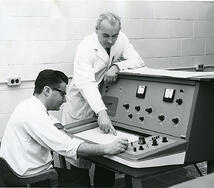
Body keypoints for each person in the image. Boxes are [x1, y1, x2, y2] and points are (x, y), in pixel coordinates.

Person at [0, 69, 128, 187]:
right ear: (47, 90)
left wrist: (64, 133)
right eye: (62, 94)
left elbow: (52, 123)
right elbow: (68, 147)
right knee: (81, 183)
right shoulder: (34, 114)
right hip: (33, 179)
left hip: (18, 172)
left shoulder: (28, 105)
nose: (65, 100)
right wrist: (106, 148)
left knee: (79, 177)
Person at [61, 11, 144, 187]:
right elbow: (86, 84)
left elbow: (138, 61)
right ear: (96, 29)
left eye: (114, 35)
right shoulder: (85, 47)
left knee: (107, 158)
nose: (111, 41)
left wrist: (116, 66)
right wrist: (101, 112)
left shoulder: (120, 39)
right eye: (105, 35)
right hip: (81, 107)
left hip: (103, 102)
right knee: (81, 162)